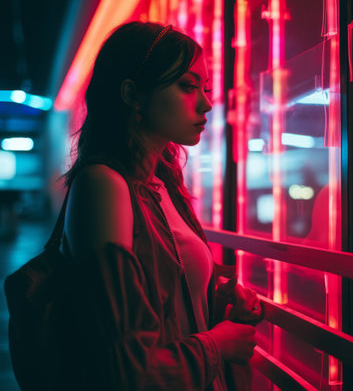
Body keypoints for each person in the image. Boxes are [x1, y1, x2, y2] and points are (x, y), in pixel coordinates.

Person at [60, 21, 263, 390]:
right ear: (132, 94)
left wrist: (219, 310)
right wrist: (220, 344)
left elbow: (164, 313)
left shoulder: (162, 185)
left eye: (205, 87)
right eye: (187, 86)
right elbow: (123, 365)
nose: (206, 103)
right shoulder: (103, 185)